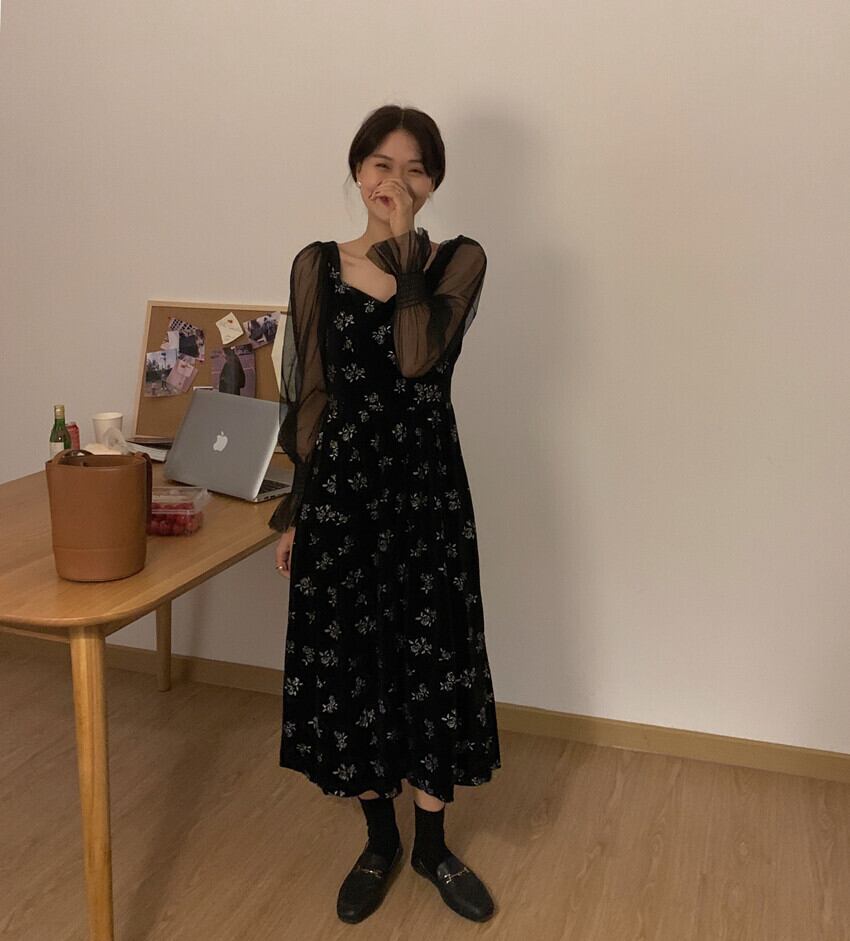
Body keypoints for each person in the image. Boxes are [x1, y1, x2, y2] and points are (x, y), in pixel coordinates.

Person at [269, 104, 501, 924]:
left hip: (427, 495)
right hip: (345, 497)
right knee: (354, 664)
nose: (393, 181)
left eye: (414, 169)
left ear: (433, 182)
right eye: (379, 164)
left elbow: (414, 360)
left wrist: (404, 252)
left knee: (432, 660)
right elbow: (313, 397)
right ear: (356, 168)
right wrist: (298, 509)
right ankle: (381, 841)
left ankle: (433, 844)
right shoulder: (316, 265)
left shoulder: (457, 262)